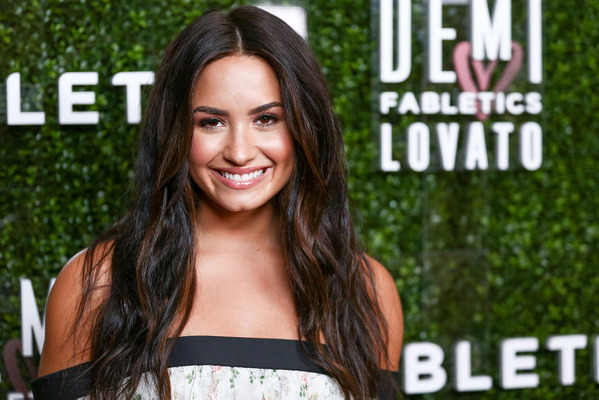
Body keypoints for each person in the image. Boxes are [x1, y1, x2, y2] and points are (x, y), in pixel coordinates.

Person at [32, 5, 403, 400]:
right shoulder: (99, 283)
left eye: (266, 119)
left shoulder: (364, 289)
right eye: (211, 122)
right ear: (175, 131)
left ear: (305, 126)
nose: (239, 152)